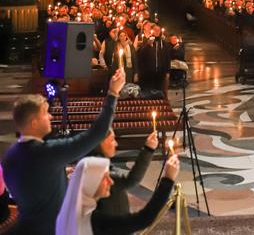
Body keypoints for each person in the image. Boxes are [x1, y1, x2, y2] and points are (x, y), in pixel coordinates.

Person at [2, 69, 124, 235]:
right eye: (45, 114)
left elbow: (34, 181)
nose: (51, 117)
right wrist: (113, 93)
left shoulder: (10, 156)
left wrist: (57, 172)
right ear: (33, 123)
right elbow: (95, 134)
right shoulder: (47, 154)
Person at [56, 154, 179, 235]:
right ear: (92, 182)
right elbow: (143, 219)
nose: (110, 181)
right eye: (105, 177)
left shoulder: (71, 211)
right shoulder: (94, 221)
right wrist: (168, 179)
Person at [92, 129, 157, 216]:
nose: (116, 143)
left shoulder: (95, 163)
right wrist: (149, 149)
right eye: (112, 140)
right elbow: (130, 181)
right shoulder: (101, 171)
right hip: (112, 224)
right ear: (101, 143)